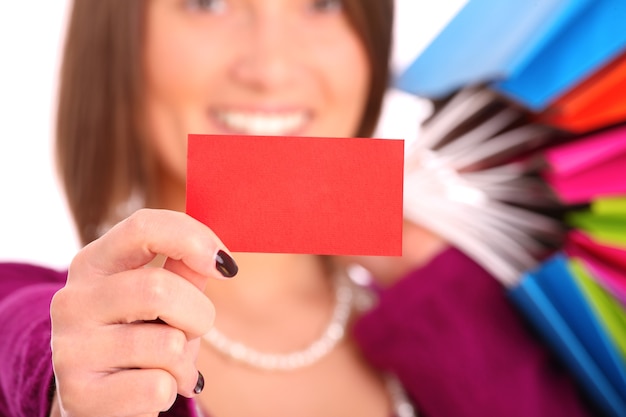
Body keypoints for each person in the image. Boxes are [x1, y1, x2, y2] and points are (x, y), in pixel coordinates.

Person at [0, 1, 596, 416]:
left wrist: (440, 284)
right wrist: (66, 395)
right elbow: (23, 338)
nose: (271, 67)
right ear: (118, 39)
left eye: (324, 2)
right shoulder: (32, 322)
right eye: (209, 2)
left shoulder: (487, 324)